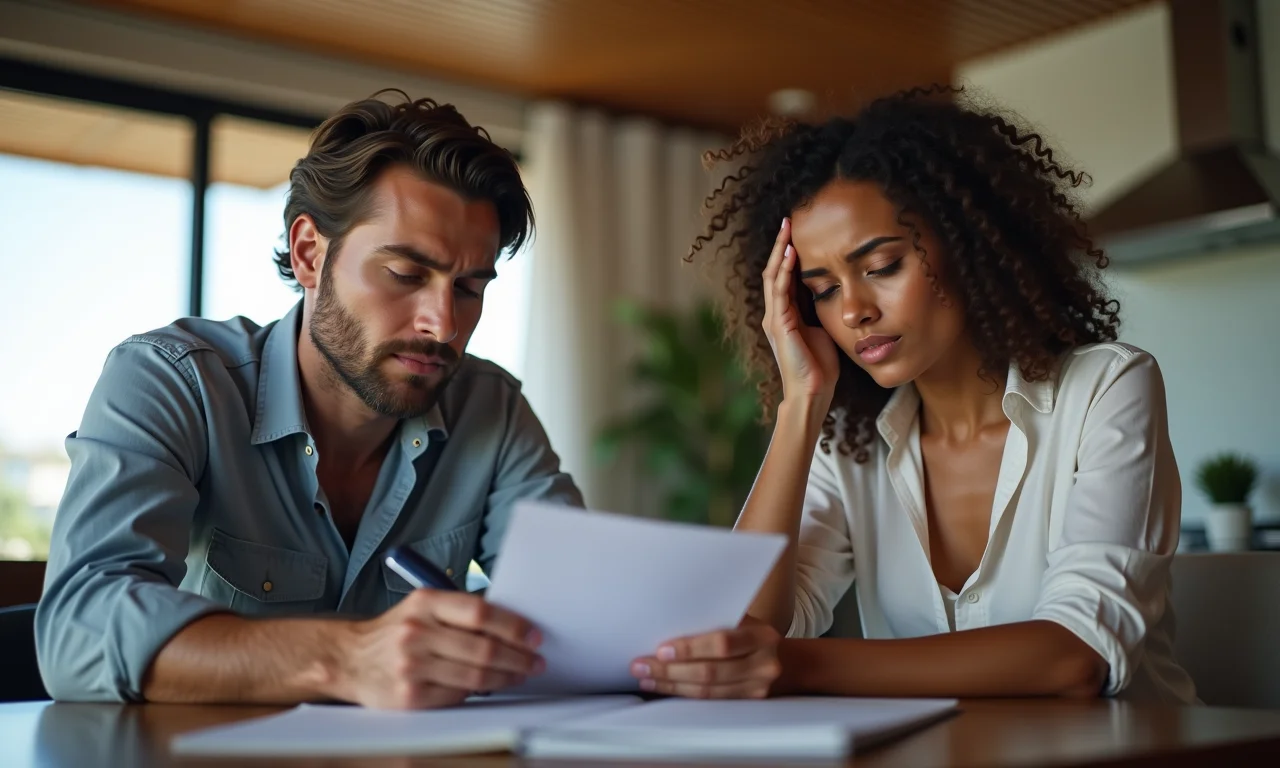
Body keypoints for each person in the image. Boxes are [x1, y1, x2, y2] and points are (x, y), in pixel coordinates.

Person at [629, 86, 1198, 702]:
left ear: (970, 244)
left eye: (881, 267)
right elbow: (740, 628)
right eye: (822, 289)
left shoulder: (1105, 388)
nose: (853, 311)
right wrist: (799, 407)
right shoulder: (846, 441)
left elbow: (1075, 655)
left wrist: (796, 667)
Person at [37, 92, 581, 708]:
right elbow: (77, 634)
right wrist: (346, 659)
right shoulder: (173, 381)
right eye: (405, 274)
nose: (444, 324)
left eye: (469, 288)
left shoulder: (493, 409)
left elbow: (580, 614)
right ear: (309, 255)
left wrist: (683, 657)